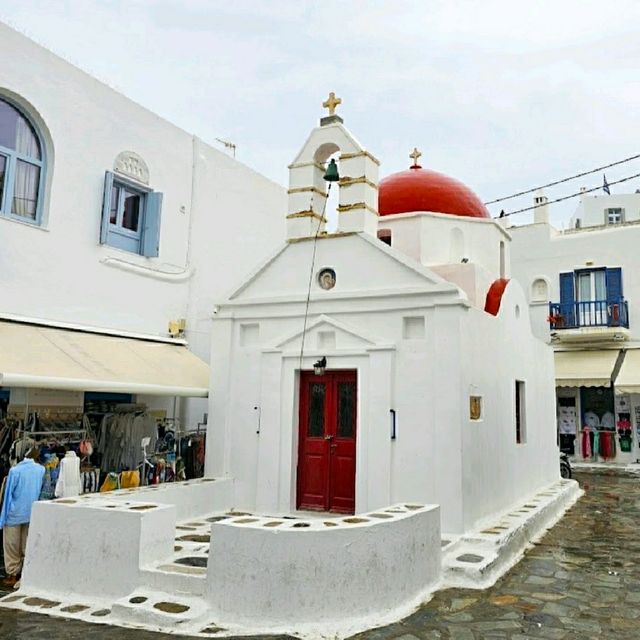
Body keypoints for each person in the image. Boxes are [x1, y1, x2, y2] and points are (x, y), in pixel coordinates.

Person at [0, 448, 45, 587]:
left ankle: (13, 574)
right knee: (26, 544)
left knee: (12, 545)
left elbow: (7, 497)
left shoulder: (15, 471)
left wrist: (2, 519)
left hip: (13, 514)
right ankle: (25, 573)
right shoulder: (41, 470)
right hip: (31, 512)